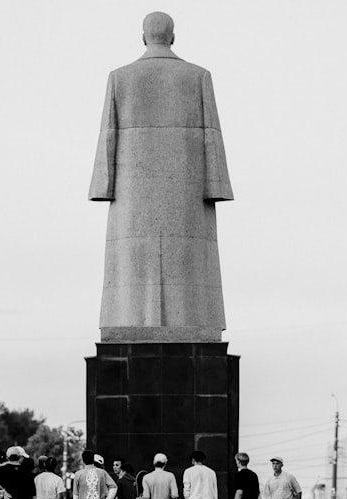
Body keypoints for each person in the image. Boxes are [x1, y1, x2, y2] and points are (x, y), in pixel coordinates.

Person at [87, 11, 234, 343]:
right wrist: (217, 186)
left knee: (130, 283)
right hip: (186, 197)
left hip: (132, 197)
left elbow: (107, 135)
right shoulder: (197, 76)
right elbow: (212, 136)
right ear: (172, 35)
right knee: (189, 283)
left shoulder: (120, 77)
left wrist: (103, 186)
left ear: (143, 36)